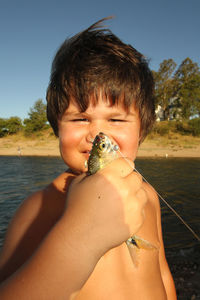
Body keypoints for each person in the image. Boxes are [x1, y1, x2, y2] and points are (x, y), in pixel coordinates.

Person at [0, 17, 177, 299]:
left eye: (116, 119)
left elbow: (162, 271)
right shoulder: (39, 208)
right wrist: (78, 238)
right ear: (57, 126)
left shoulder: (149, 196)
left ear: (142, 129)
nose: (97, 135)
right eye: (80, 118)